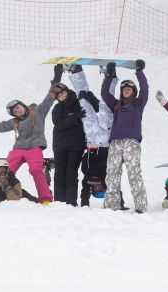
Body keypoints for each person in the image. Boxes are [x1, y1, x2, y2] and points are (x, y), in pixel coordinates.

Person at [0, 66, 61, 205]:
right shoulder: (15, 122)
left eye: (17, 107)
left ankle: (45, 198)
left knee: (35, 169)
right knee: (5, 171)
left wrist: (57, 77)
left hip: (35, 148)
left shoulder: (38, 112)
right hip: (18, 149)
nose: (17, 111)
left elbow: (50, 97)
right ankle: (0, 196)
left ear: (22, 105)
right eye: (14, 111)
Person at [65, 64, 128, 209]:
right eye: (101, 190)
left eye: (96, 190)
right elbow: (116, 188)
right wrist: (121, 204)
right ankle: (110, 77)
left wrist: (85, 205)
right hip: (105, 141)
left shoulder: (88, 180)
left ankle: (76, 72)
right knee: (105, 107)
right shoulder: (107, 179)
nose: (99, 188)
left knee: (83, 102)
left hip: (91, 140)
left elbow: (83, 194)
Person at [101, 59, 148, 213]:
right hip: (115, 143)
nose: (126, 90)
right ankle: (111, 207)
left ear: (133, 91)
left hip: (131, 143)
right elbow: (104, 93)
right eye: (124, 88)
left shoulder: (139, 103)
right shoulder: (116, 105)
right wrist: (109, 76)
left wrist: (139, 71)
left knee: (134, 174)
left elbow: (145, 88)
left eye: (129, 88)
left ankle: (140, 207)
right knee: (112, 174)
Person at [51, 66, 86, 206]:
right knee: (59, 174)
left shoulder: (79, 103)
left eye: (63, 94)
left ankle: (71, 202)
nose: (62, 97)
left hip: (76, 145)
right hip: (60, 146)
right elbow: (58, 125)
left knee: (71, 173)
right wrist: (75, 119)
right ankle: (59, 202)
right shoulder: (57, 108)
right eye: (59, 96)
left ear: (67, 91)